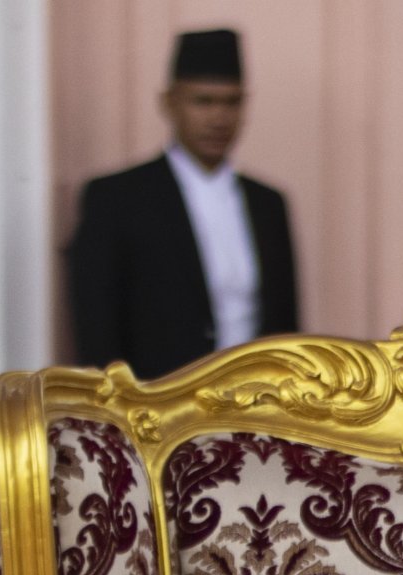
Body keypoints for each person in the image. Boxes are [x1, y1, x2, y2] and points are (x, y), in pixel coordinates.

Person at [67, 26, 300, 377]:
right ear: (170, 103)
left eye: (231, 102)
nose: (219, 118)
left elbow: (285, 329)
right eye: (203, 101)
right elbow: (97, 328)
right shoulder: (118, 198)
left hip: (253, 412)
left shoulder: (267, 204)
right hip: (156, 412)